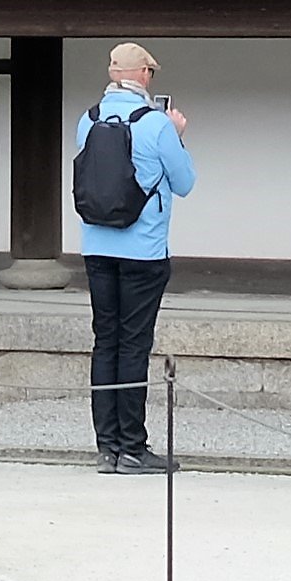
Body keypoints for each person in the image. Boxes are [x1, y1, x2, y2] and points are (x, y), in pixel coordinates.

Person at [69, 42, 197, 472]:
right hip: (142, 250)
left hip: (97, 247)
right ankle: (133, 447)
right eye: (151, 72)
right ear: (142, 74)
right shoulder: (157, 124)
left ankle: (107, 447)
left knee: (105, 341)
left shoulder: (87, 121)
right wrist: (177, 134)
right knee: (134, 344)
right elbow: (184, 182)